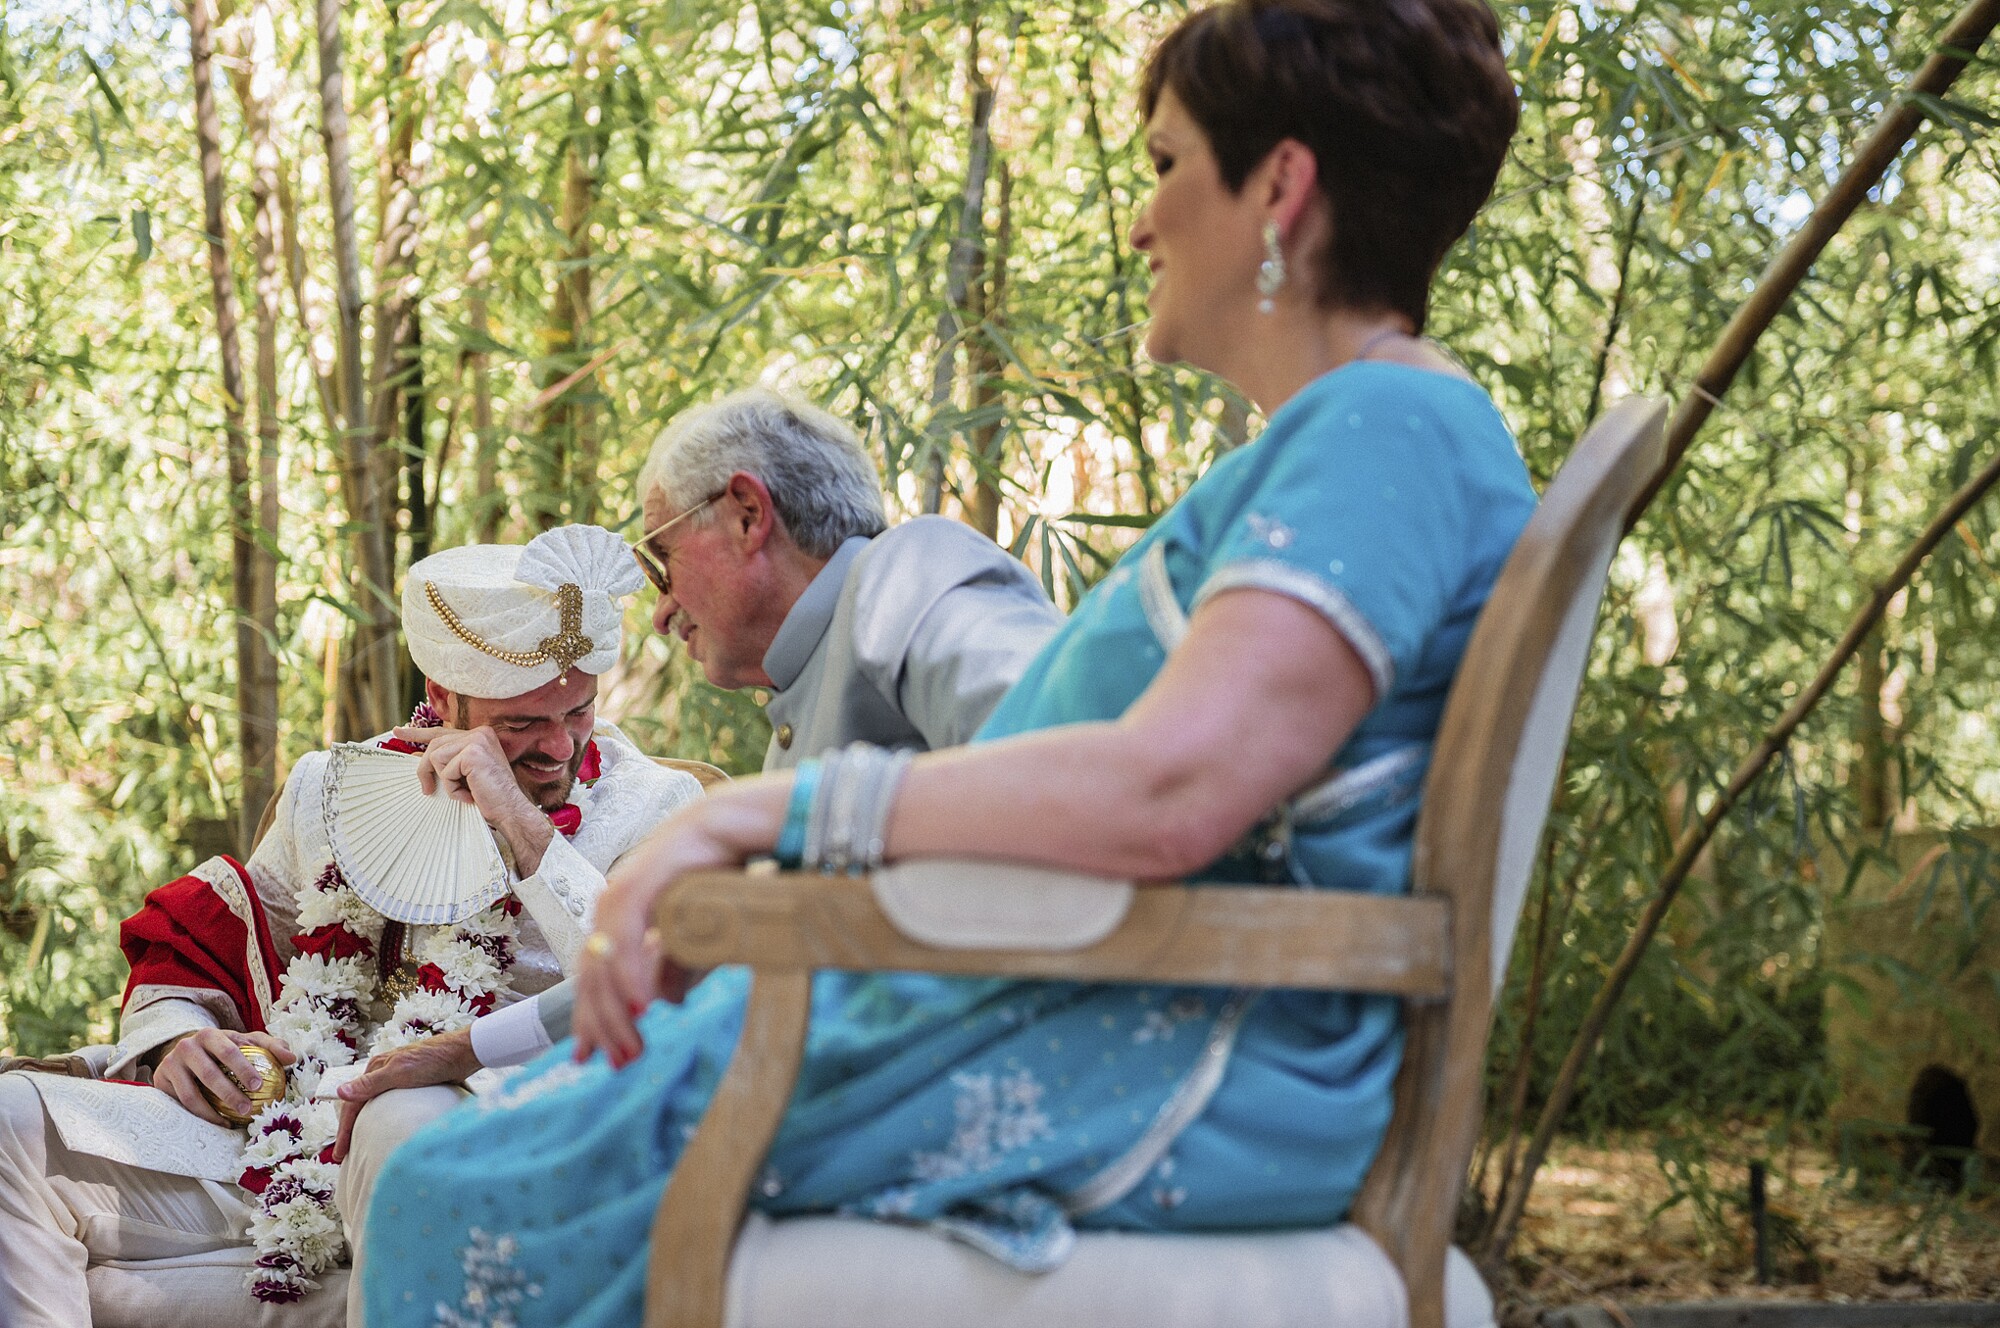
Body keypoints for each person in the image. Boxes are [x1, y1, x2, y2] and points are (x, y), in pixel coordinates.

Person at [361, 0, 1533, 1320]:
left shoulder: (1387, 427)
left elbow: (1168, 791)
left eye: (1163, 166)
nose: (1142, 221)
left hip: (1171, 1063)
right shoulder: (1350, 439)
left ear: (1279, 182)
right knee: (473, 1158)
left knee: (450, 1193)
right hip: (1101, 1021)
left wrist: (756, 824)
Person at [0, 525, 702, 1325]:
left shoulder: (654, 809)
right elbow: (210, 941)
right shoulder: (328, 788)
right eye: (518, 726)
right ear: (441, 699)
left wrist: (521, 824)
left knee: (397, 1129)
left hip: (470, 1145)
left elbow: (654, 981)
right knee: (12, 1122)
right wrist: (177, 1039)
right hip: (277, 1146)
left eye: (577, 712)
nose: (556, 746)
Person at [330, 388, 1064, 1102]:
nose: (660, 612)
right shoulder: (796, 716)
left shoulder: (906, 574)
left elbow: (1064, 761)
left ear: (747, 514)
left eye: (660, 561)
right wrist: (464, 1050)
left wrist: (762, 818)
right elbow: (695, 964)